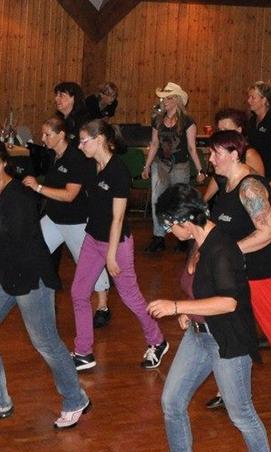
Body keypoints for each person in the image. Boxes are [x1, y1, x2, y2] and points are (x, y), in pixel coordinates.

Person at [142, 189, 271, 452]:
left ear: (187, 220)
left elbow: (229, 302)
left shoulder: (222, 249)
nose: (168, 232)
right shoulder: (198, 241)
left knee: (241, 413)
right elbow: (202, 288)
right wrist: (190, 312)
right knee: (172, 401)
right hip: (199, 336)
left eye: (170, 224)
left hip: (227, 340)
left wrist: (178, 306)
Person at [0, 137, 90, 428]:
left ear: (5, 163)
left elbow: (12, 249)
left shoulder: (20, 198)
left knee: (46, 342)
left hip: (30, 275)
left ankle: (75, 399)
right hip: (3, 272)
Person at [204, 129, 271, 413]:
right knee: (228, 325)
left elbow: (268, 232)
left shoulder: (250, 187)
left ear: (234, 155)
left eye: (216, 154)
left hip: (264, 268)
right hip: (236, 268)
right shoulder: (227, 183)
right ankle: (229, 387)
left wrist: (229, 251)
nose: (211, 159)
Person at [68, 119, 168, 372]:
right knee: (79, 293)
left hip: (117, 243)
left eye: (84, 141)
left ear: (100, 139)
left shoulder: (118, 171)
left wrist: (111, 255)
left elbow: (118, 217)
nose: (80, 146)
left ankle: (157, 341)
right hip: (93, 238)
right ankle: (83, 352)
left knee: (130, 296)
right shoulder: (90, 166)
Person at [21, 113, 111, 325]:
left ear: (61, 135)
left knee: (89, 263)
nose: (43, 138)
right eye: (43, 134)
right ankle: (42, 297)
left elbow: (70, 195)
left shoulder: (75, 158)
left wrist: (38, 187)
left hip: (75, 221)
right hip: (54, 218)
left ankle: (103, 306)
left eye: (47, 134)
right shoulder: (55, 155)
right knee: (32, 249)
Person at [142, 83, 200, 252]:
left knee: (179, 202)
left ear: (177, 100)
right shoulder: (158, 120)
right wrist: (146, 166)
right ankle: (158, 237)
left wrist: (200, 170)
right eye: (163, 98)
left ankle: (182, 237)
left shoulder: (187, 122)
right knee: (157, 200)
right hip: (160, 165)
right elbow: (154, 144)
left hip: (180, 166)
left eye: (168, 98)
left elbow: (192, 147)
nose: (164, 101)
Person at [243, 82, 271, 182]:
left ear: (264, 100)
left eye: (253, 98)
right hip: (254, 171)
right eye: (249, 97)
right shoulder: (252, 120)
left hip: (270, 174)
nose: (249, 101)